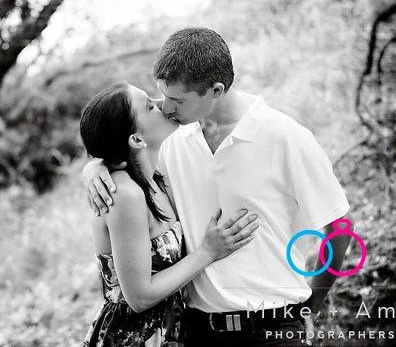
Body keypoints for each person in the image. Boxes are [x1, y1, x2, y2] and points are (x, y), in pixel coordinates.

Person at [83, 28, 353, 346]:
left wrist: (312, 306)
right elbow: (128, 161)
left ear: (215, 90)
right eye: (162, 96)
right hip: (196, 332)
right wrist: (96, 166)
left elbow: (340, 226)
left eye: (177, 100)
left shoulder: (286, 138)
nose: (166, 107)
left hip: (273, 329)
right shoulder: (170, 142)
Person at [79, 82, 260, 346]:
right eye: (149, 106)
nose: (162, 104)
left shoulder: (154, 177)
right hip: (135, 337)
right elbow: (140, 297)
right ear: (137, 140)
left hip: (171, 329)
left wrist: (94, 166)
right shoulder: (124, 195)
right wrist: (208, 251)